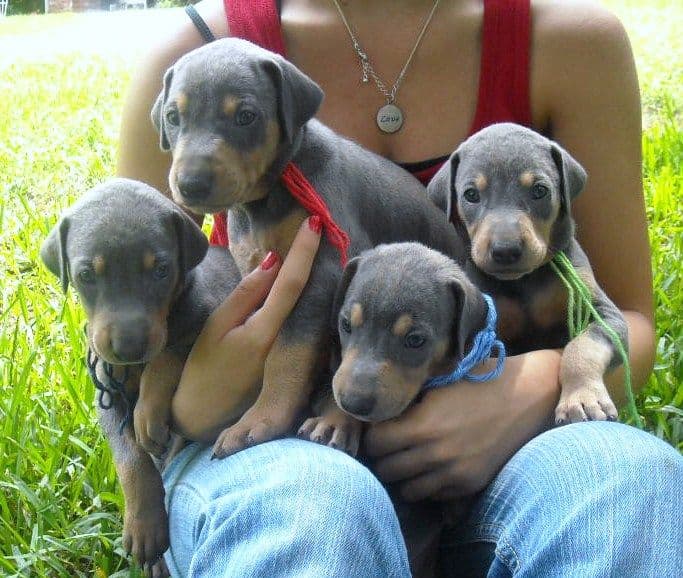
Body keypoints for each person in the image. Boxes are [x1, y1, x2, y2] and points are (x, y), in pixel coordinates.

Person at [117, 0, 683, 576]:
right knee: (314, 513)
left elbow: (625, 318)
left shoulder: (572, 43)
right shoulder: (190, 53)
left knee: (624, 482)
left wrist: (521, 392)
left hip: (517, 449)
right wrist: (191, 406)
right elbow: (122, 330)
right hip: (266, 452)